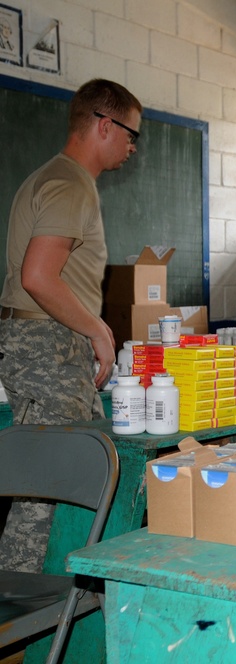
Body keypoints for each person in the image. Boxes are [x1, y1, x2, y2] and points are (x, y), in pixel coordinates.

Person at [0, 79, 142, 572]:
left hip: (51, 342)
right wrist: (100, 330)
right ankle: (23, 617)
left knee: (71, 474)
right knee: (48, 484)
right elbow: (38, 277)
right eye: (130, 134)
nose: (132, 146)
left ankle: (55, 609)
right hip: (46, 344)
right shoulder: (68, 184)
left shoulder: (61, 179)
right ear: (105, 124)